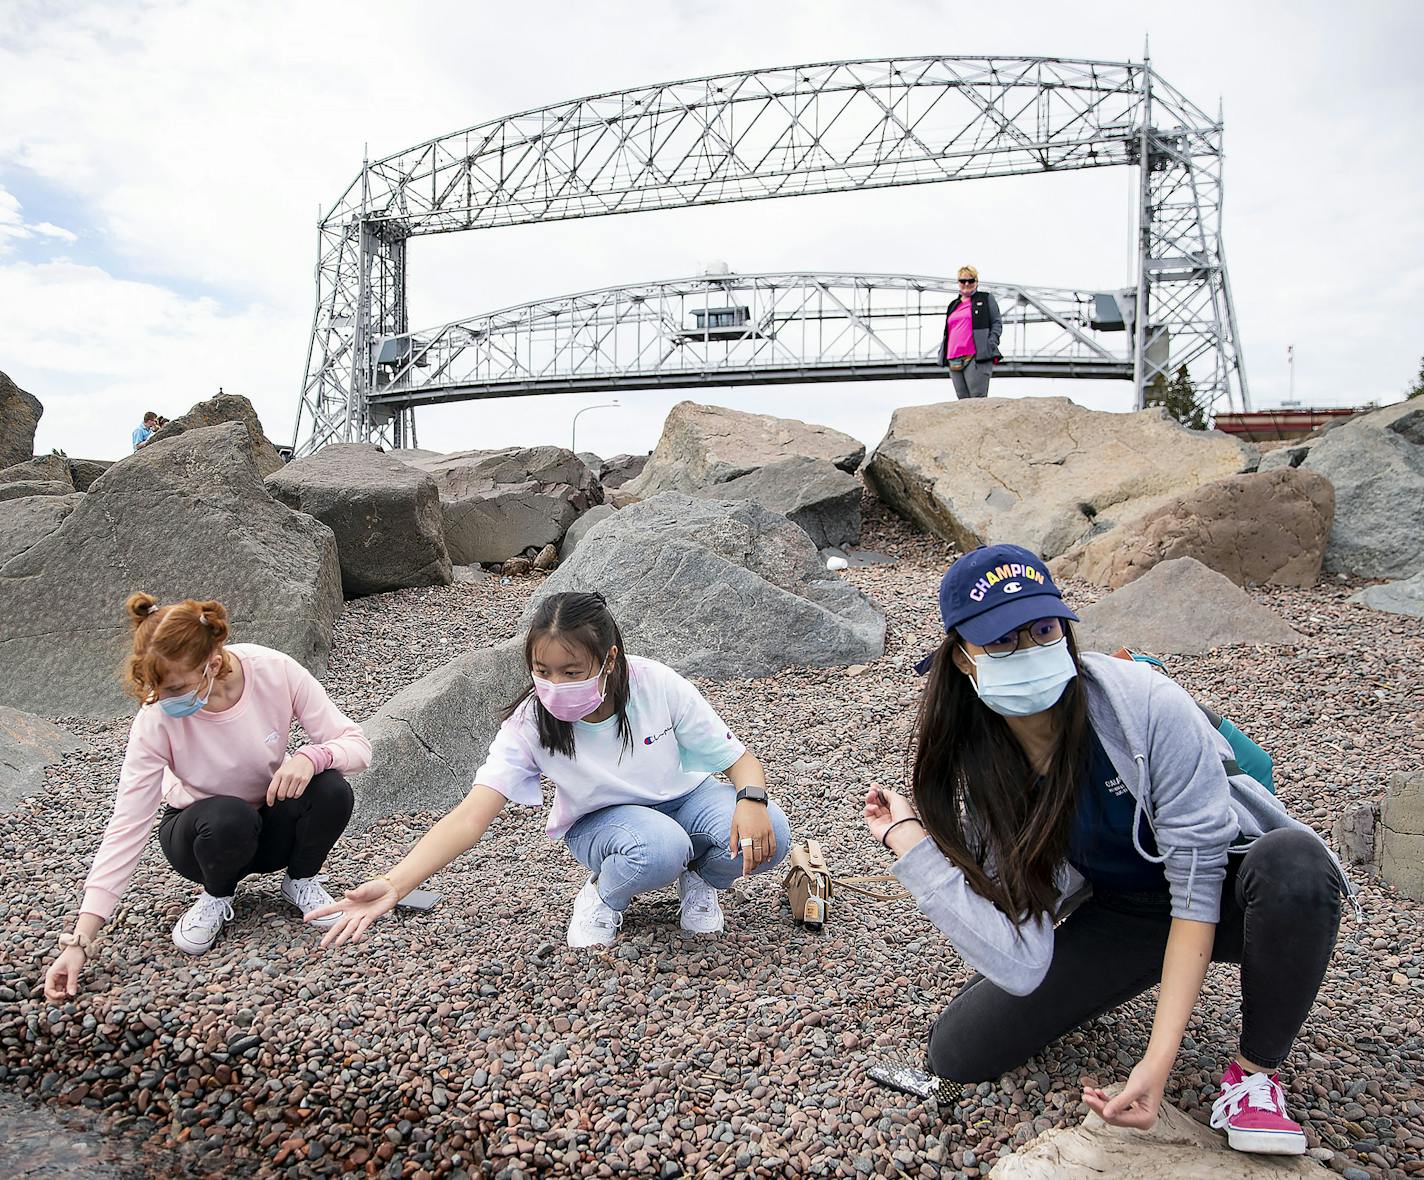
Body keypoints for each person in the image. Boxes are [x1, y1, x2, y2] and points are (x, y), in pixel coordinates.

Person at [863, 544, 1349, 1157]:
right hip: (1127, 910)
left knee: (1296, 864)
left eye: (1042, 629)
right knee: (958, 1052)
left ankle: (1253, 1078)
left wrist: (1157, 1063)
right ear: (963, 658)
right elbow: (1018, 955)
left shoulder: (1143, 703)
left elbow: (1195, 889)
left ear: (1064, 626)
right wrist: (910, 844)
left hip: (1223, 890)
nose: (1030, 650)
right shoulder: (978, 766)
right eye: (1002, 641)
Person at [310, 591, 791, 949]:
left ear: (609, 661)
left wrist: (750, 800)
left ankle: (702, 880)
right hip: (602, 820)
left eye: (572, 671)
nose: (554, 684)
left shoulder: (657, 684)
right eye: (542, 670)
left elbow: (740, 761)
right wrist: (396, 883)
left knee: (771, 833)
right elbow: (471, 816)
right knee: (658, 849)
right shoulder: (529, 724)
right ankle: (604, 896)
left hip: (684, 799)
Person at [44, 594, 369, 1001]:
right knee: (228, 816)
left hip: (268, 826)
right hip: (203, 837)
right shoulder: (156, 719)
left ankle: (301, 880)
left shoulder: (273, 670)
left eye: (178, 687)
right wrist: (79, 942)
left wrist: (311, 756)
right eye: (157, 688)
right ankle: (217, 895)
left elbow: (356, 746)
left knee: (331, 788)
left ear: (213, 663)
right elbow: (127, 824)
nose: (166, 699)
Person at [938, 266, 1002, 399]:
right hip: (953, 358)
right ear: (958, 283)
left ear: (976, 282)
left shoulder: (986, 299)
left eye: (971, 280)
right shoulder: (953, 305)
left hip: (976, 357)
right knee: (962, 403)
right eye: (962, 281)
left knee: (977, 400)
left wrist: (990, 343)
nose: (966, 284)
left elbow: (997, 322)